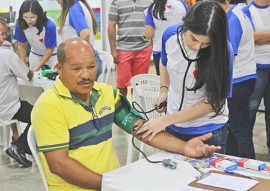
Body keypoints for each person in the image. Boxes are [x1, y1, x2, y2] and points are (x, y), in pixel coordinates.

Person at [31, 37, 221, 191]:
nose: (86, 75)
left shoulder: (106, 93)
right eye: (76, 69)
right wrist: (108, 185)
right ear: (59, 69)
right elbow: (59, 164)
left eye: (90, 66)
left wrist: (184, 147)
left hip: (112, 181)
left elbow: (140, 128)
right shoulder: (48, 106)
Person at [137, 0, 233, 154]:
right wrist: (164, 90)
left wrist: (164, 120)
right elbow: (164, 62)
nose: (197, 47)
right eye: (193, 39)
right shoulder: (170, 36)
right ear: (186, 26)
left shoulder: (222, 50)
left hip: (208, 131)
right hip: (173, 127)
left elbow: (212, 103)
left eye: (205, 43)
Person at [215, 0, 257, 158]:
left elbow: (227, 58)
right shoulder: (236, 13)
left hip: (238, 80)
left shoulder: (231, 20)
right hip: (241, 77)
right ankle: (234, 166)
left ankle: (249, 168)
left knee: (240, 131)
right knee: (233, 130)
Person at [0, 32, 34, 167]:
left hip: (4, 106)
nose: (3, 38)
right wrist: (30, 70)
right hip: (8, 107)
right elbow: (27, 75)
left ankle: (24, 146)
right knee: (40, 115)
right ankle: (19, 146)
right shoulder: (7, 55)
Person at [108, 0, 153, 96]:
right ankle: (123, 109)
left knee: (139, 84)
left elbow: (154, 23)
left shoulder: (149, 2)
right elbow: (111, 26)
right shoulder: (116, 2)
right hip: (123, 49)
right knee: (121, 83)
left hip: (144, 48)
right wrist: (113, 50)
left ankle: (136, 109)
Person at [242, 0, 270, 153]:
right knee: (251, 107)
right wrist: (259, 37)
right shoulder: (247, 11)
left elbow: (259, 37)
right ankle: (246, 149)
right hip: (256, 67)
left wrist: (262, 37)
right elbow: (253, 38)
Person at [57, 0, 102, 80]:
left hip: (83, 62)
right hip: (87, 60)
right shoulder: (78, 6)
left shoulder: (74, 9)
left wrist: (78, 60)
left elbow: (85, 34)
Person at [144, 0, 188, 75]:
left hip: (160, 50)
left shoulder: (153, 8)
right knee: (180, 77)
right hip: (180, 48)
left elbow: (149, 34)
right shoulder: (182, 4)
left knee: (162, 79)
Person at [14, 0, 59, 71]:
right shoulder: (20, 23)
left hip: (53, 56)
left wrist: (36, 68)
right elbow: (21, 46)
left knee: (51, 79)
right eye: (25, 17)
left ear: (39, 15)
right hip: (35, 55)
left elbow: (49, 49)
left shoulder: (49, 25)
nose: (28, 21)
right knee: (33, 79)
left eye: (32, 17)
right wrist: (23, 65)